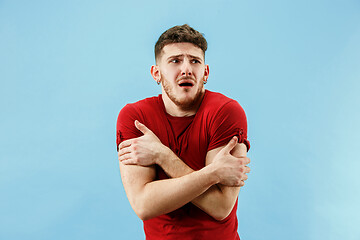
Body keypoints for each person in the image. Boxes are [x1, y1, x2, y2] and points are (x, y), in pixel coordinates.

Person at [116, 24, 251, 240]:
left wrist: (162, 155)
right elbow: (143, 204)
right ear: (156, 73)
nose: (186, 69)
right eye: (175, 61)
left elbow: (221, 206)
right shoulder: (135, 118)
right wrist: (213, 173)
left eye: (195, 61)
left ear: (205, 72)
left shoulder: (226, 112)